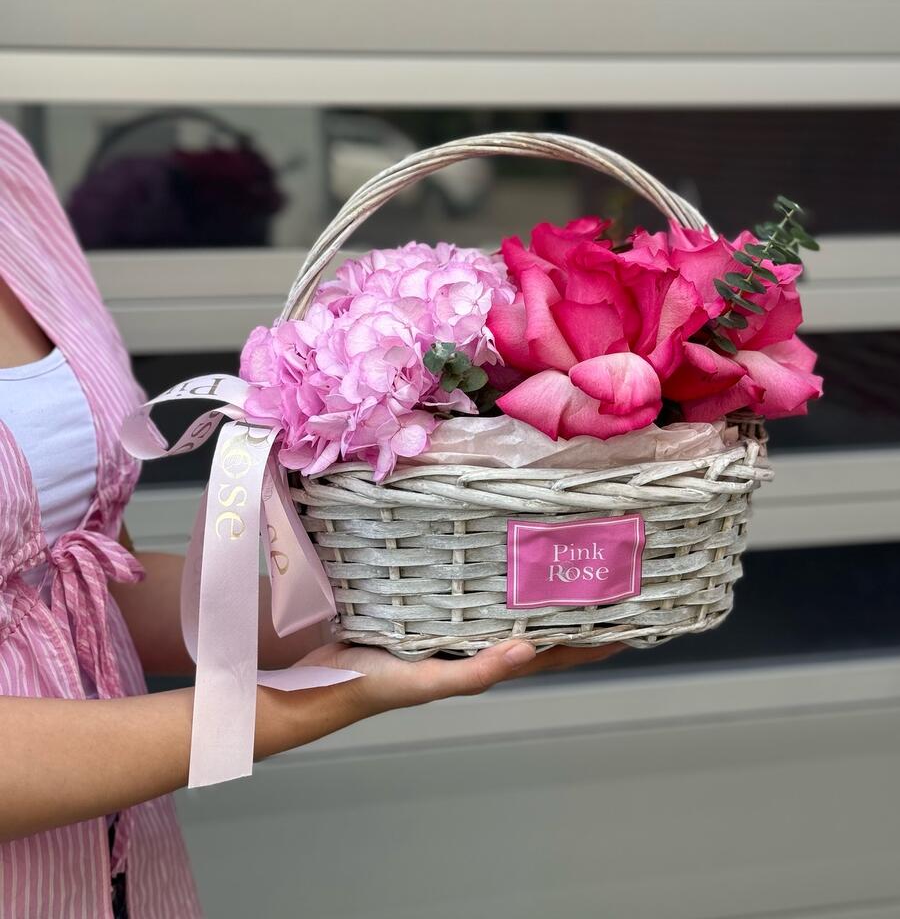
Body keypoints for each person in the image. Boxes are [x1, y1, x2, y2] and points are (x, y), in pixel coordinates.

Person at [0, 120, 621, 919]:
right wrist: (325, 697)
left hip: (116, 873)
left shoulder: (9, 170)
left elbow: (83, 584)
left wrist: (420, 619)